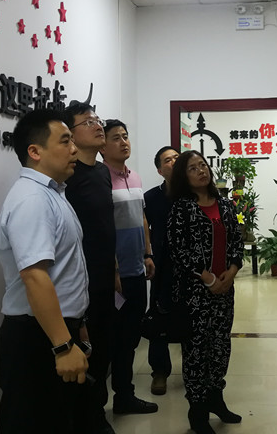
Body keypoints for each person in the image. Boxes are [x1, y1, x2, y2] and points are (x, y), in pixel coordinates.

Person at [0, 108, 90, 433]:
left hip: (54, 328)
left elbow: (65, 270)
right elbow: (34, 276)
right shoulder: (33, 199)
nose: (74, 149)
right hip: (36, 338)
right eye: (65, 141)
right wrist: (62, 346)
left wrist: (77, 326)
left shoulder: (53, 193)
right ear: (35, 151)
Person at [167, 151, 244, 434]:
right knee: (197, 350)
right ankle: (197, 410)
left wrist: (231, 271)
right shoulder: (181, 208)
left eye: (203, 165)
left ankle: (216, 398)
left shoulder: (225, 204)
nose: (201, 171)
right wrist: (208, 278)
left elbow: (237, 241)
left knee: (221, 346)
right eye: (192, 168)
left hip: (225, 289)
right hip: (195, 292)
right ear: (183, 176)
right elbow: (178, 249)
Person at [62, 103, 117, 434]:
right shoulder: (68, 178)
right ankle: (87, 422)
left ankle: (97, 416)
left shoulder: (101, 171)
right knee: (84, 357)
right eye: (88, 122)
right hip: (79, 287)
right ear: (70, 134)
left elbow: (104, 227)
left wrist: (114, 269)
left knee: (103, 353)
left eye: (98, 120)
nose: (98, 126)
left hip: (105, 280)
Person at [101, 119, 159, 415]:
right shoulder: (100, 178)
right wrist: (112, 270)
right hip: (115, 276)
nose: (123, 142)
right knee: (112, 340)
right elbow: (100, 228)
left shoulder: (134, 176)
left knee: (131, 338)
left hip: (136, 269)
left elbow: (142, 218)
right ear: (102, 146)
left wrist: (148, 254)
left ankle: (125, 396)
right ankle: (100, 405)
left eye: (125, 136)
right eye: (116, 138)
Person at [143, 145, 180, 395]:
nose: (174, 162)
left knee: (191, 318)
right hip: (162, 266)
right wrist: (148, 254)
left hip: (192, 269)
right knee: (158, 318)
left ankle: (193, 370)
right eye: (168, 160)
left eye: (177, 157)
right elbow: (143, 226)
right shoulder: (151, 197)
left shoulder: (195, 195)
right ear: (159, 170)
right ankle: (159, 371)